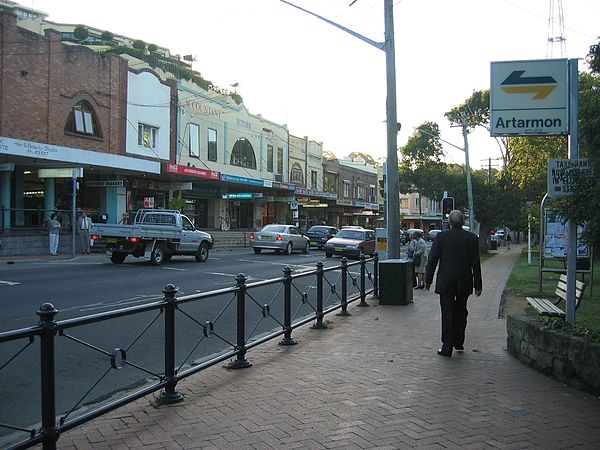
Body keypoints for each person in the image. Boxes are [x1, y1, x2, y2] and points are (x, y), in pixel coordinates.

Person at [425, 210, 482, 357]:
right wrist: (478, 284)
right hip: (464, 281)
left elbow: (432, 260)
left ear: (449, 222)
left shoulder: (441, 237)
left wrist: (428, 280)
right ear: (463, 222)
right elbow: (476, 263)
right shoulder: (471, 238)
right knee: (461, 311)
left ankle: (447, 346)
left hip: (446, 281)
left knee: (447, 313)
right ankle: (459, 341)